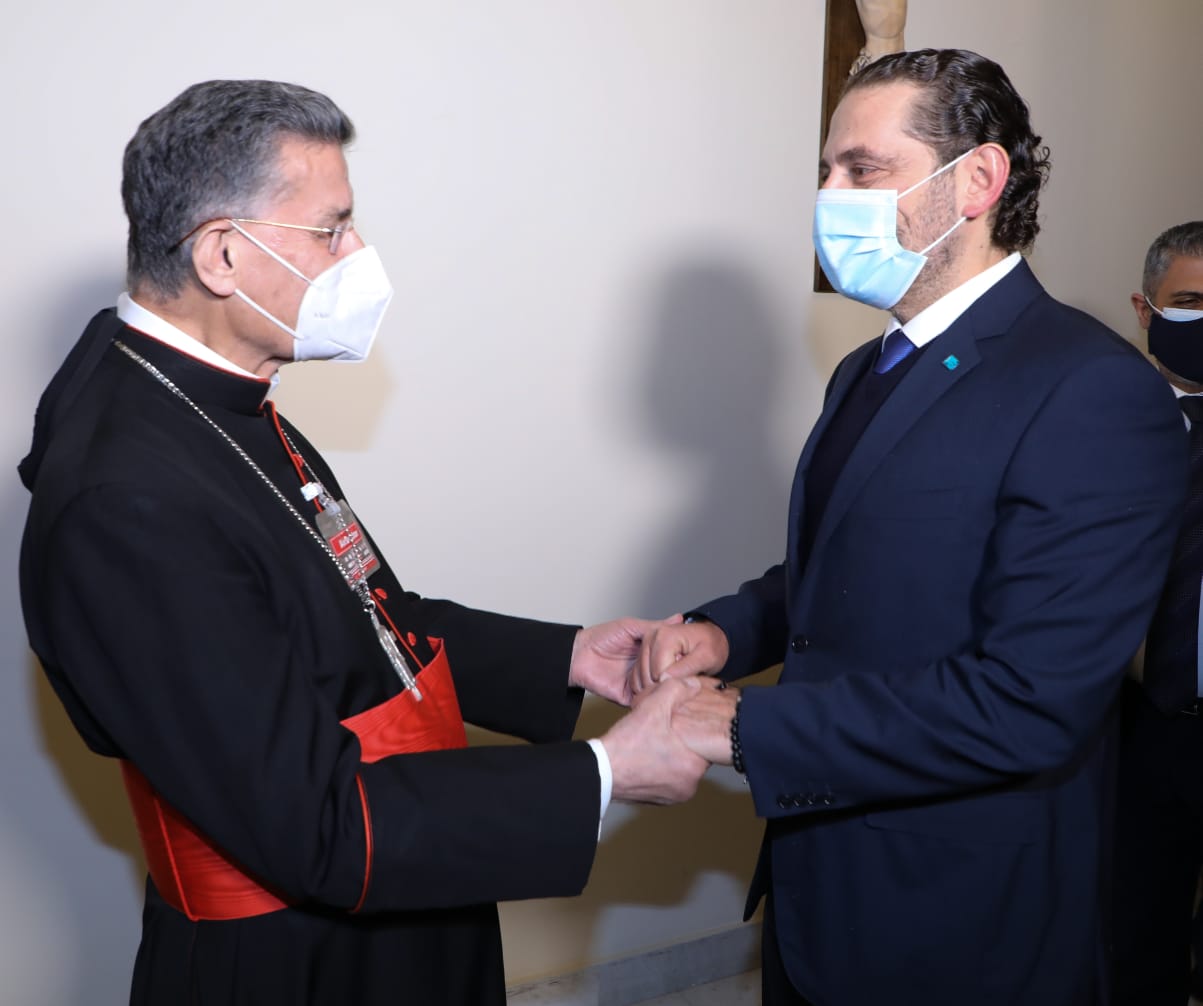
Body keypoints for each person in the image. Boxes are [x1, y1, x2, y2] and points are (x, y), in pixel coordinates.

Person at [16, 79, 713, 1006]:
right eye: (331, 229)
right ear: (222, 254)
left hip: (399, 887)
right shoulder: (127, 504)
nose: (359, 255)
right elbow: (313, 824)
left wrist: (570, 659)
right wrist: (603, 772)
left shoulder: (213, 398)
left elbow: (356, 617)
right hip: (295, 960)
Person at [631, 48, 1188, 1005]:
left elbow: (1030, 698)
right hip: (817, 876)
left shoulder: (1090, 388)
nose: (829, 197)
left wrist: (748, 724)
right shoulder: (866, 367)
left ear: (977, 180)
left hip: (957, 908)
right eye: (825, 170)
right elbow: (849, 566)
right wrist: (729, 631)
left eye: (863, 169)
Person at [1112, 220, 1203, 1006]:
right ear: (1145, 310)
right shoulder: (1096, 422)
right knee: (1135, 941)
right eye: (1191, 302)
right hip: (1133, 727)